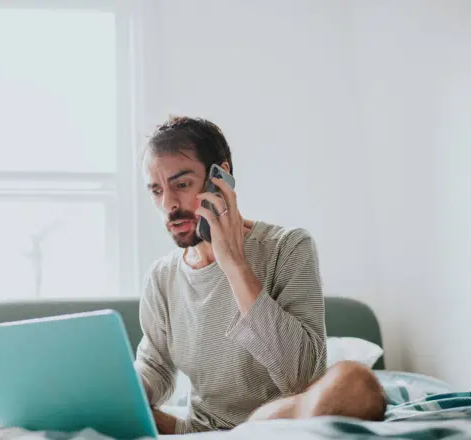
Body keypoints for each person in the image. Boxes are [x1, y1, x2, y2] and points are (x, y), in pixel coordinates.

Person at [133, 116, 386, 434]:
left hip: (279, 424)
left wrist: (235, 265)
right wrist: (124, 391)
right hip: (197, 429)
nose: (168, 204)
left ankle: (248, 432)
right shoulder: (162, 277)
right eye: (156, 191)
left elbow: (303, 377)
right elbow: (155, 367)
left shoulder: (288, 247)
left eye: (181, 184)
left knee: (355, 383)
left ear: (220, 178)